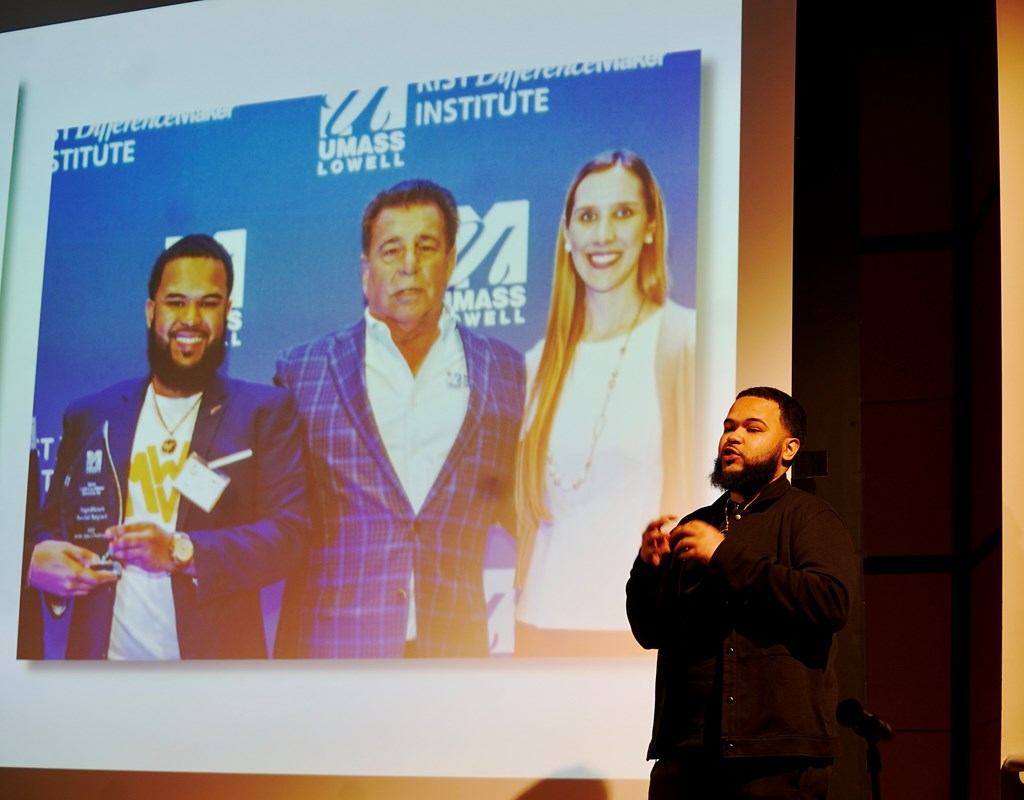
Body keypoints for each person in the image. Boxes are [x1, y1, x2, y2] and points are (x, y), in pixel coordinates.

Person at [25, 234, 309, 659]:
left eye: (208, 302)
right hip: (98, 676)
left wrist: (180, 551)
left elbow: (290, 535)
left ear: (228, 313)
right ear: (151, 311)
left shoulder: (264, 413)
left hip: (213, 680)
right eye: (176, 302)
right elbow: (52, 526)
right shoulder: (89, 416)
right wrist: (36, 560)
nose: (191, 318)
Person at [275, 179, 524, 658]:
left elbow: (527, 508)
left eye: (425, 246)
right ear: (366, 272)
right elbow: (280, 520)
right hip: (335, 651)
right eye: (391, 250)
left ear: (450, 261)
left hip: (454, 652)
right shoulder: (300, 372)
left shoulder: (508, 371)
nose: (409, 264)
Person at [626, 387, 857, 799]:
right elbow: (652, 631)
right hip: (687, 754)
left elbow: (830, 602)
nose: (733, 437)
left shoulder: (809, 517)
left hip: (776, 756)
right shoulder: (697, 525)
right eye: (728, 427)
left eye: (752, 428)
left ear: (789, 449)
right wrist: (648, 570)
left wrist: (725, 556)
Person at [515, 149, 695, 656]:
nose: (603, 235)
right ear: (567, 233)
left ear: (651, 227)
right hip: (541, 627)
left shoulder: (684, 339)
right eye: (588, 216)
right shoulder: (535, 364)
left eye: (623, 212)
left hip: (640, 631)